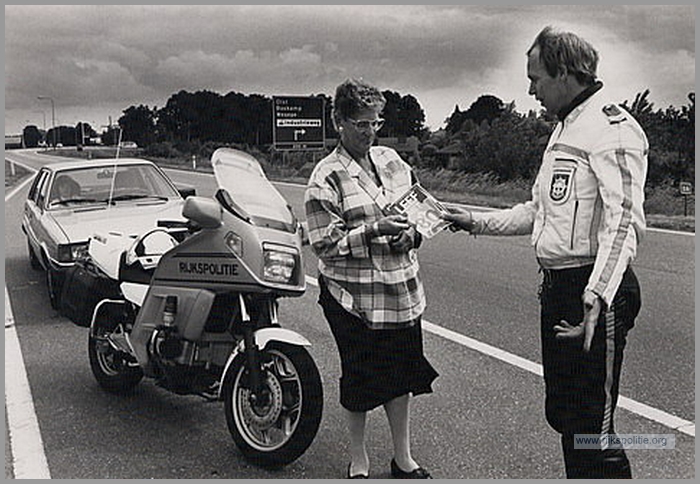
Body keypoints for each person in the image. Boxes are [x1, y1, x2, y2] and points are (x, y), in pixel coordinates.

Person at [443, 26, 647, 479]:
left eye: (535, 77)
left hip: (594, 292)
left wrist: (596, 296)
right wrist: (474, 220)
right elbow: (538, 210)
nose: (529, 88)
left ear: (564, 73)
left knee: (593, 428)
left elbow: (623, 221)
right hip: (558, 290)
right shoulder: (563, 129)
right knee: (566, 417)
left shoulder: (611, 128)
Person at [305, 78, 438, 479]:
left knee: (402, 372)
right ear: (339, 123)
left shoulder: (393, 161)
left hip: (400, 289)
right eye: (361, 124)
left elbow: (422, 212)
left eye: (375, 123)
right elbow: (323, 244)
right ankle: (358, 456)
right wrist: (373, 231)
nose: (369, 132)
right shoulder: (325, 177)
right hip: (353, 296)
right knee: (361, 376)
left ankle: (403, 457)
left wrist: (411, 234)